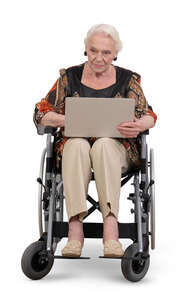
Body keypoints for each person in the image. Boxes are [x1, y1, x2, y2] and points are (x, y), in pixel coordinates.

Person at [33, 23, 157, 258]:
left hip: (116, 150)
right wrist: (65, 120)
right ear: (86, 50)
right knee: (77, 144)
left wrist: (138, 125)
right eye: (93, 50)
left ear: (115, 54)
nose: (99, 57)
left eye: (106, 52)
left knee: (103, 145)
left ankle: (111, 226)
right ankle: (74, 227)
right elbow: (41, 112)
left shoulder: (128, 80)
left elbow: (149, 115)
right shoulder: (69, 77)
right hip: (73, 150)